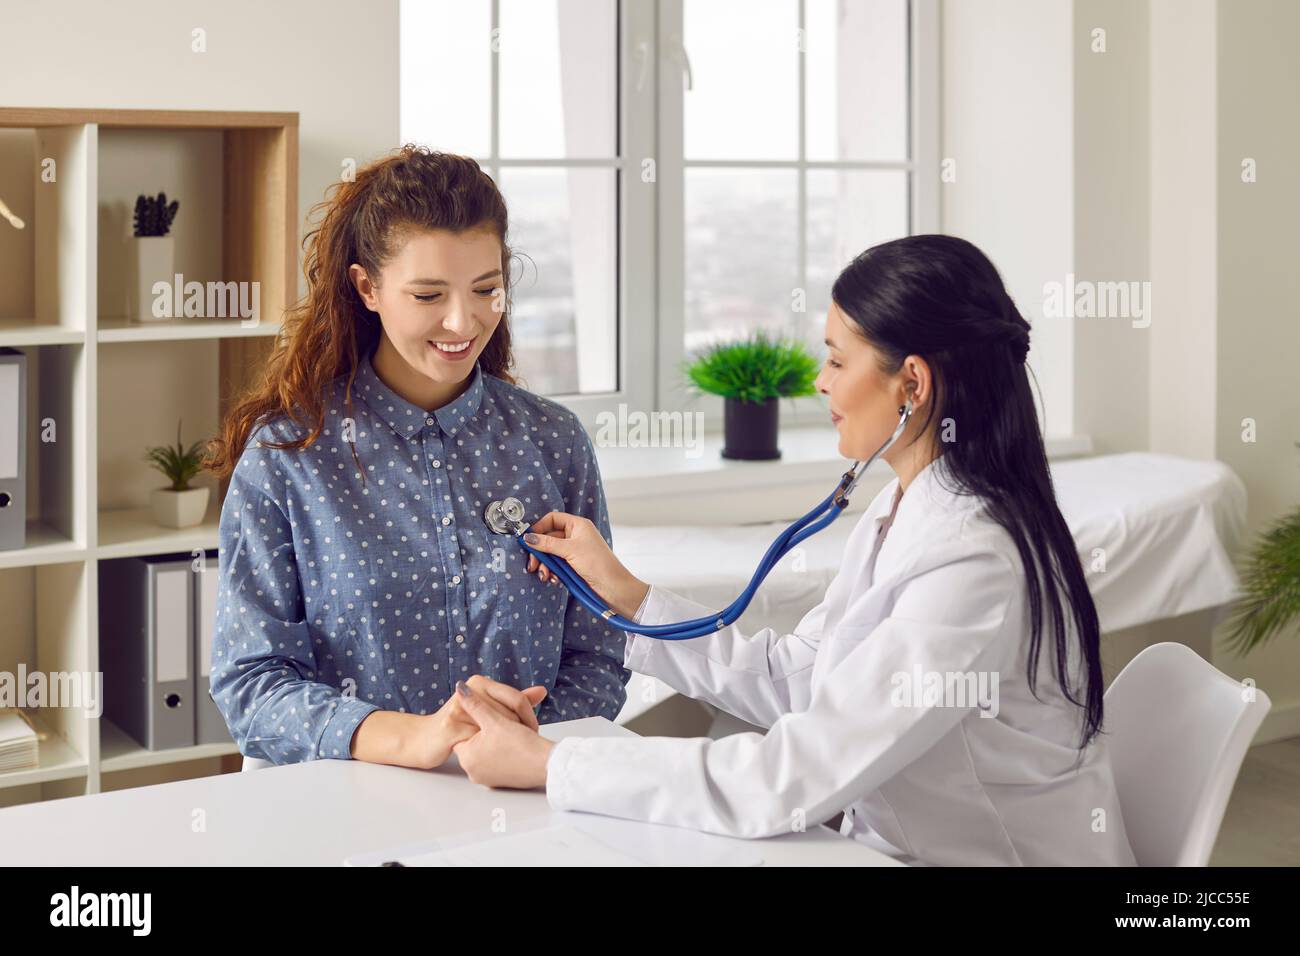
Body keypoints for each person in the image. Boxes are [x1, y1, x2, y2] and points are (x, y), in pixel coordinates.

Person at [449, 234, 1138, 867]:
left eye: (838, 360)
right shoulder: (905, 513)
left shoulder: (975, 561)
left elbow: (793, 777)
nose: (821, 381)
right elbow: (804, 681)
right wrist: (623, 591)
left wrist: (551, 765)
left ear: (914, 385)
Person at [204, 147, 629, 769]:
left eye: (487, 289)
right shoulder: (287, 456)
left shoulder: (553, 441)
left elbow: (598, 654)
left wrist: (521, 747)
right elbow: (251, 683)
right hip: (342, 806)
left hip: (523, 796)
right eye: (429, 294)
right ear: (367, 287)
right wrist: (413, 739)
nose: (464, 320)